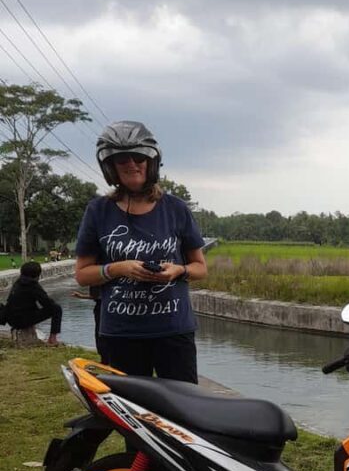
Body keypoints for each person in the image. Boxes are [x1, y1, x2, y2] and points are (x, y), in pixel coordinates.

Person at [74, 120, 207, 382]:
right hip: (121, 333)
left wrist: (178, 270)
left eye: (138, 157)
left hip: (173, 330)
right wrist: (117, 268)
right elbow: (82, 274)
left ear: (151, 162)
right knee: (132, 410)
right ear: (111, 167)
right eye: (122, 159)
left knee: (183, 408)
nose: (131, 164)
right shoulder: (98, 211)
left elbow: (200, 267)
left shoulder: (176, 209)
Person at [4, 261, 62, 345]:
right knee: (57, 308)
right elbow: (48, 304)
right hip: (21, 321)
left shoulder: (18, 282)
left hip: (11, 319)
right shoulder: (32, 285)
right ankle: (52, 339)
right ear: (37, 275)